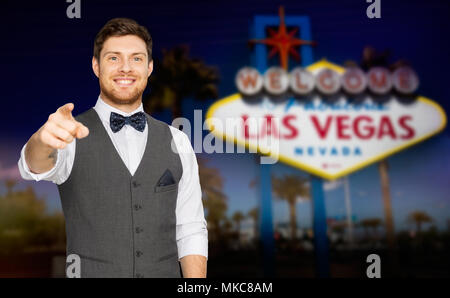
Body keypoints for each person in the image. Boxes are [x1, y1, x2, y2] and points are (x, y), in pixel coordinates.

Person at [17, 18, 207, 278]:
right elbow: (33, 166)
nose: (126, 68)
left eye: (137, 59)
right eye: (113, 58)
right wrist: (41, 139)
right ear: (96, 66)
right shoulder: (70, 133)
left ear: (150, 67)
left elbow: (191, 228)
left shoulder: (178, 140)